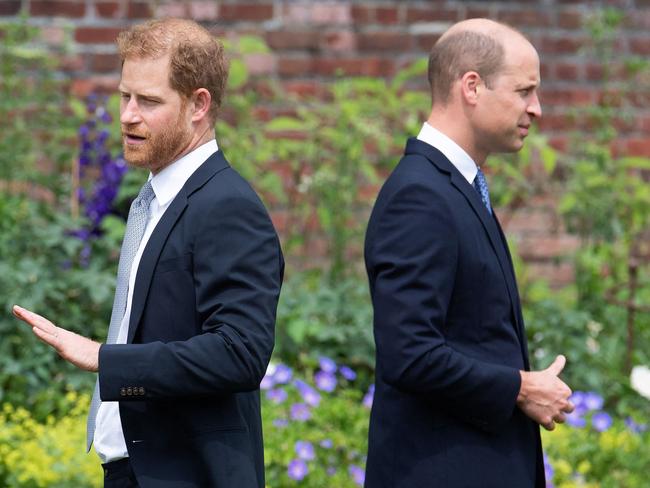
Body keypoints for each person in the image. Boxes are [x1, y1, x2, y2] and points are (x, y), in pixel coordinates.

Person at [13, 18, 284, 488]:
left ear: (199, 104)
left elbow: (240, 353)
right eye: (125, 96)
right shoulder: (156, 198)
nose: (127, 115)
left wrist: (107, 359)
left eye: (149, 101)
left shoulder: (227, 205)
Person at [363, 18, 574, 487]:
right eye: (524, 91)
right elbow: (410, 353)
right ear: (472, 87)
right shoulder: (420, 196)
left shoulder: (455, 187)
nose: (536, 109)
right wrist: (519, 387)